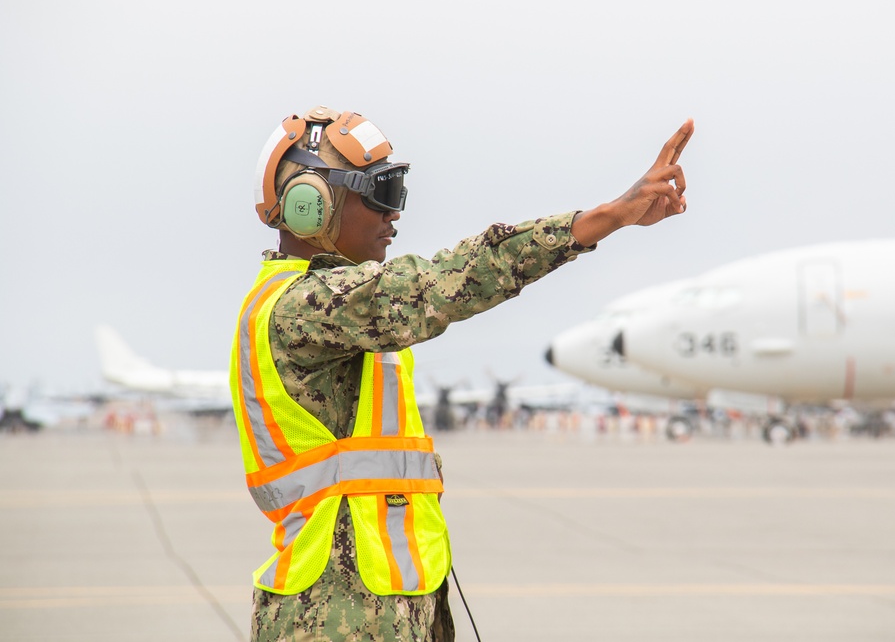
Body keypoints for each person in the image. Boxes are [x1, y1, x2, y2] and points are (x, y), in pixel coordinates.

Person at [230, 105, 693, 641]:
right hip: (334, 614)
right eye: (379, 194)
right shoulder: (305, 307)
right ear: (312, 205)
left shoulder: (343, 310)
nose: (393, 215)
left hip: (381, 603)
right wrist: (602, 219)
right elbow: (446, 282)